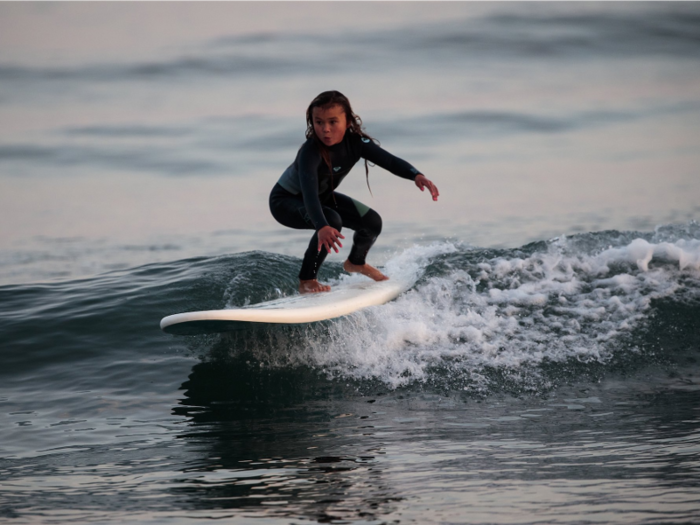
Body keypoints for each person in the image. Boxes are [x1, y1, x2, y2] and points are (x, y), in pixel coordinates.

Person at [269, 90, 439, 294]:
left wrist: (416, 175)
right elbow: (309, 194)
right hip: (285, 202)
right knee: (331, 221)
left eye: (333, 122)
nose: (326, 129)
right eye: (319, 122)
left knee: (372, 222)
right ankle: (307, 279)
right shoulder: (310, 152)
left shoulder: (356, 143)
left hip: (321, 198)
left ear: (348, 121)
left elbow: (390, 161)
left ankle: (356, 262)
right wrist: (321, 225)